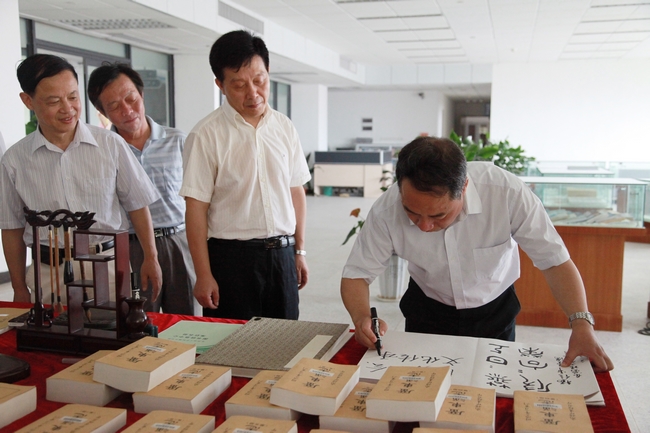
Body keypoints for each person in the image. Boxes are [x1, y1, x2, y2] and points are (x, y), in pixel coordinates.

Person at [341, 136, 614, 373]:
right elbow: (357, 274)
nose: (424, 226)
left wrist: (582, 325)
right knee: (424, 389)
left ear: (464, 187)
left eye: (438, 215)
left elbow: (554, 261)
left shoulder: (506, 193)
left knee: (491, 392)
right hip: (427, 308)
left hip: (494, 309)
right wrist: (362, 317)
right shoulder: (386, 210)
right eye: (411, 212)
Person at [0, 54, 162, 304]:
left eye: (73, 97)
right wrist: (19, 287)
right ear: (28, 101)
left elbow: (138, 205)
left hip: (109, 267)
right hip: (49, 273)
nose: (67, 109)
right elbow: (11, 227)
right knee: (52, 330)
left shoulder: (110, 144)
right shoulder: (15, 160)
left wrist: (151, 257)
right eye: (54, 101)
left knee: (115, 328)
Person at [180, 30, 311, 320]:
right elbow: (196, 209)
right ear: (220, 85)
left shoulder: (284, 127)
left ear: (268, 72)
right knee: (232, 341)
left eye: (259, 80)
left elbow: (295, 192)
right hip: (231, 261)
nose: (253, 93)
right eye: (239, 85)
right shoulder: (205, 135)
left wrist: (299, 251)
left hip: (282, 256)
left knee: (286, 339)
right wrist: (203, 274)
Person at [87, 63, 197, 315]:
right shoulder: (101, 151)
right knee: (138, 319)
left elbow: (197, 199)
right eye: (114, 105)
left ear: (141, 94)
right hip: (131, 247)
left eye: (131, 99)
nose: (127, 110)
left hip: (178, 242)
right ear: (101, 111)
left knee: (185, 318)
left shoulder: (178, 141)